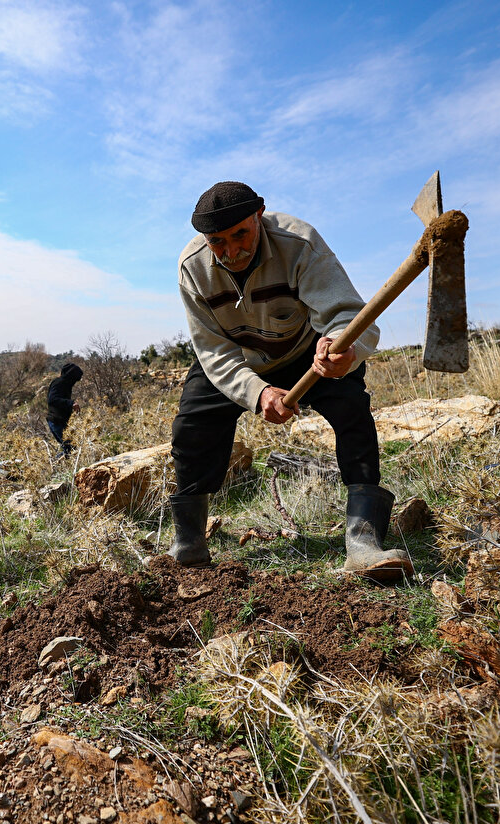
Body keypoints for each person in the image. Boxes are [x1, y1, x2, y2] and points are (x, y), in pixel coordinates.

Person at [167, 181, 411, 580]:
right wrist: (257, 392)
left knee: (352, 409)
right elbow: (211, 350)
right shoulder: (192, 268)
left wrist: (342, 350)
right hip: (238, 361)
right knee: (193, 423)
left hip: (305, 351)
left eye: (240, 234)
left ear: (259, 215)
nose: (231, 251)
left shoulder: (299, 244)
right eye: (217, 242)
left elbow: (348, 315)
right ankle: (188, 545)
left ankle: (363, 542)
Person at [46, 363, 83, 457]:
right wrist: (71, 403)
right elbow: (52, 399)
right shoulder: (59, 383)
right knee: (70, 449)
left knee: (69, 449)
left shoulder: (66, 384)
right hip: (56, 421)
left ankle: (56, 466)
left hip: (60, 421)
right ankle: (55, 465)